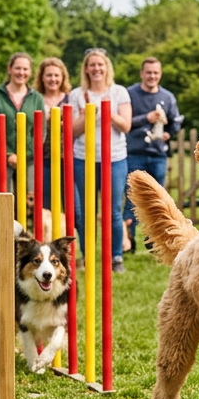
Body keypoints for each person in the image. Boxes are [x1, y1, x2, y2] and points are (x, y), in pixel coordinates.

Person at [67, 48, 131, 273]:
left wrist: (107, 111)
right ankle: (87, 256)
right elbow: (72, 131)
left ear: (107, 68)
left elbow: (126, 125)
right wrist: (87, 115)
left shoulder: (119, 92)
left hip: (114, 159)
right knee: (86, 211)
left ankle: (116, 257)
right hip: (84, 158)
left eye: (100, 65)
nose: (96, 69)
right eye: (92, 65)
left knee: (113, 210)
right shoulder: (76, 95)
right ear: (86, 68)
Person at [123, 57, 181, 251]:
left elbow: (176, 122)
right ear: (142, 74)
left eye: (155, 73)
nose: (152, 76)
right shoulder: (130, 94)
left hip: (158, 155)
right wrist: (146, 118)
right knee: (132, 198)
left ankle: (153, 241)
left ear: (160, 74)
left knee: (157, 200)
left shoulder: (168, 97)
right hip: (134, 153)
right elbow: (125, 122)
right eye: (148, 72)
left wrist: (168, 133)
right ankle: (128, 240)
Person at [0, 52, 45, 202]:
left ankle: (25, 227)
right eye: (17, 68)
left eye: (25, 69)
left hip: (29, 159)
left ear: (31, 72)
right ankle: (4, 227)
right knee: (3, 204)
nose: (21, 73)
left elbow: (40, 129)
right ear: (9, 69)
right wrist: (8, 154)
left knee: (29, 204)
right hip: (0, 158)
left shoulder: (36, 97)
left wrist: (24, 155)